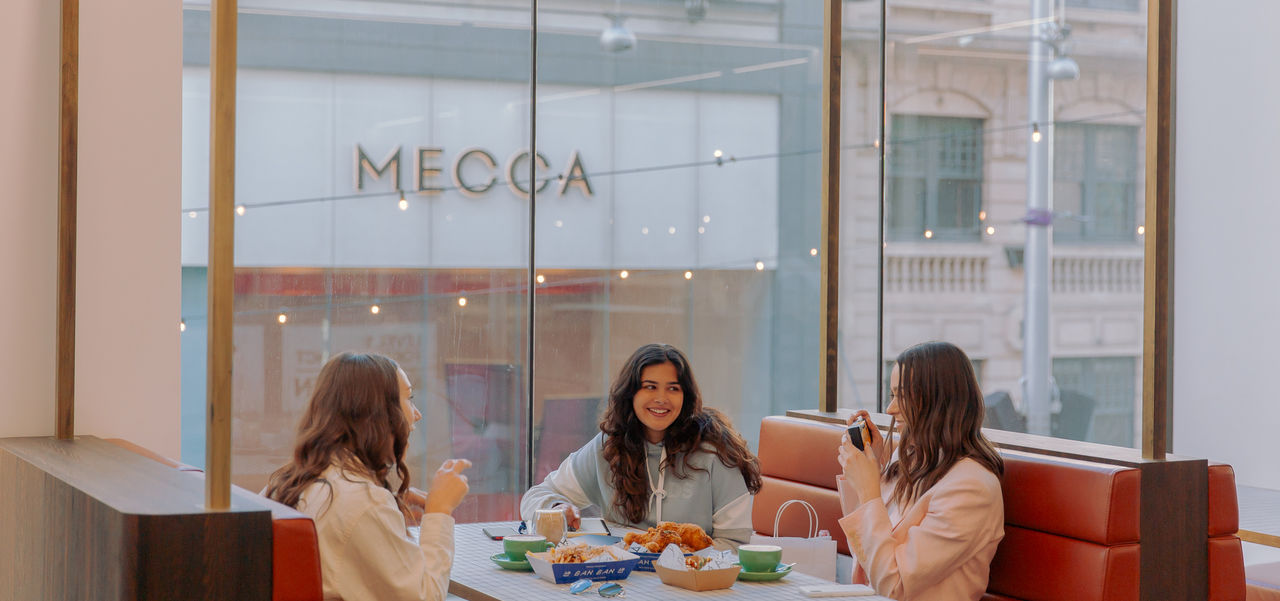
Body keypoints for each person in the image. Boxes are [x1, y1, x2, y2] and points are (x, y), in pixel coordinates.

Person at [264, 352, 471, 601]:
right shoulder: (363, 503)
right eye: (409, 398)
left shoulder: (288, 481)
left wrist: (391, 507)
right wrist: (440, 511)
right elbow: (425, 596)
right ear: (377, 413)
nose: (417, 414)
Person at [520, 343, 761, 549]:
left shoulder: (714, 451)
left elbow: (735, 544)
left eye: (673, 388)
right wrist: (557, 508)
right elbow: (535, 497)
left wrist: (675, 563)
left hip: (693, 584)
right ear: (631, 393)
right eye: (650, 386)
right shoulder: (609, 448)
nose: (661, 398)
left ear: (685, 396)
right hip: (625, 579)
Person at [836, 341, 1005, 601]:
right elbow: (864, 558)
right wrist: (874, 473)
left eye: (902, 396)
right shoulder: (914, 459)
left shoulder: (972, 489)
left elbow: (893, 585)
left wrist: (869, 491)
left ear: (939, 400)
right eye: (892, 395)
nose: (891, 409)